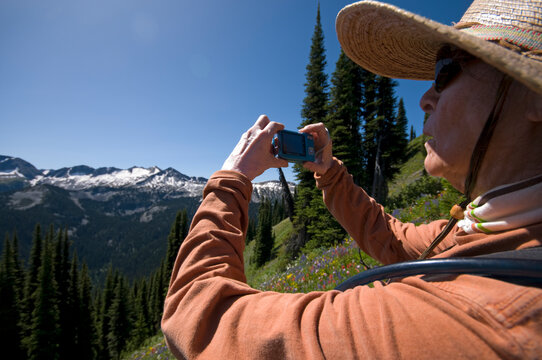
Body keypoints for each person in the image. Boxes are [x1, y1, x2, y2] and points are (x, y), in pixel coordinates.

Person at [162, 0, 542, 358]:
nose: (426, 97)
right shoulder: (492, 229)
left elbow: (202, 315)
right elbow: (393, 241)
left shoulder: (469, 320)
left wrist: (234, 177)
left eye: (447, 72)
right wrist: (329, 174)